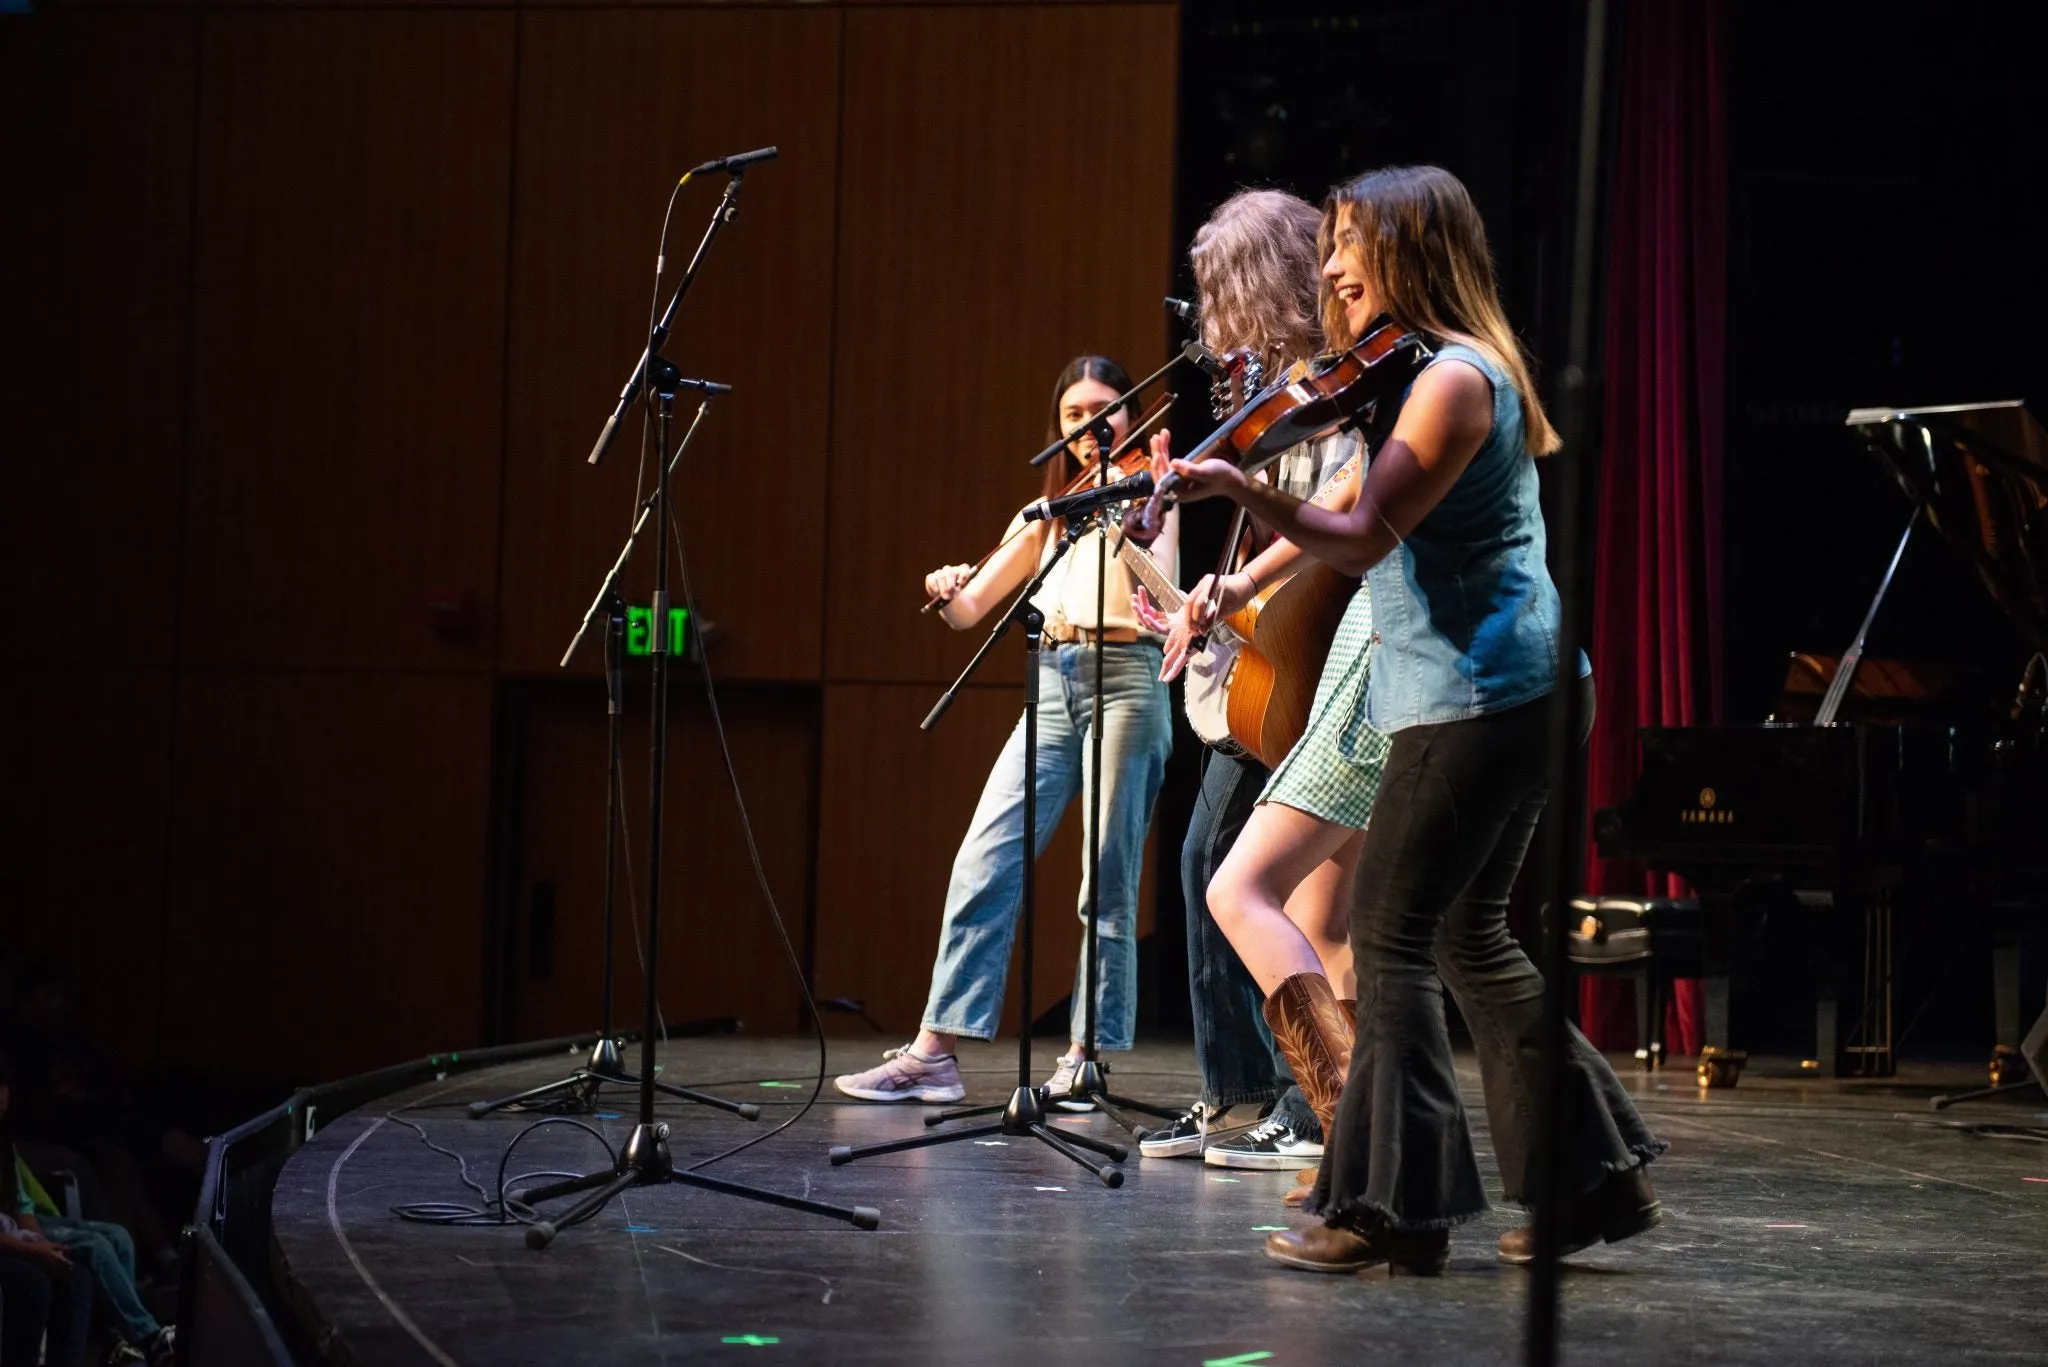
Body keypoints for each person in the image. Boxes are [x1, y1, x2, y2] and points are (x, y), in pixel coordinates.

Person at [1163, 165, 1665, 1275]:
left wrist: (1239, 493)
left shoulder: (1448, 381)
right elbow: (1345, 508)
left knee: (1387, 937)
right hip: (1507, 689)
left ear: (1409, 252)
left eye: (1347, 243)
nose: (1329, 264)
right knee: (1466, 937)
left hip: (1476, 700)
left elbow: (1361, 535)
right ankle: (1591, 1181)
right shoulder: (1427, 374)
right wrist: (1239, 577)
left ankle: (1390, 1206)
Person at [835, 357, 1179, 1105]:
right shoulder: (1046, 511)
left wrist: (1135, 523)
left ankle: (1087, 1052)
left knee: (1106, 878)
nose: (1091, 423)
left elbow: (1164, 599)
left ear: (1132, 415)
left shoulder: (1160, 495)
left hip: (1126, 681)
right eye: (1074, 413)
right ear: (1059, 430)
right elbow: (971, 611)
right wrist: (945, 583)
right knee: (984, 857)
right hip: (1052, 682)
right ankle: (936, 1052)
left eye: (1107, 408)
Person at [1125, 189, 1366, 1174]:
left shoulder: (1331, 396)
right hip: (1270, 666)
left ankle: (1296, 1106)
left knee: (1246, 883)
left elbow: (1340, 516)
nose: (1206, 316)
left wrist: (1238, 591)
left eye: (1215, 291)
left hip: (1315, 669)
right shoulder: (1271, 397)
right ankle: (1237, 1095)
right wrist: (1199, 596)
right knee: (1208, 871)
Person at [2, 1060, 172, 1363]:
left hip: (16, 1227)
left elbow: (20, 1204)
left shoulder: (4, 1142)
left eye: (2, 1088)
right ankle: (147, 1335)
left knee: (116, 1236)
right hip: (6, 1237)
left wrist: (37, 1240)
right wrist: (34, 1249)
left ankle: (119, 1338)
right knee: (92, 1249)